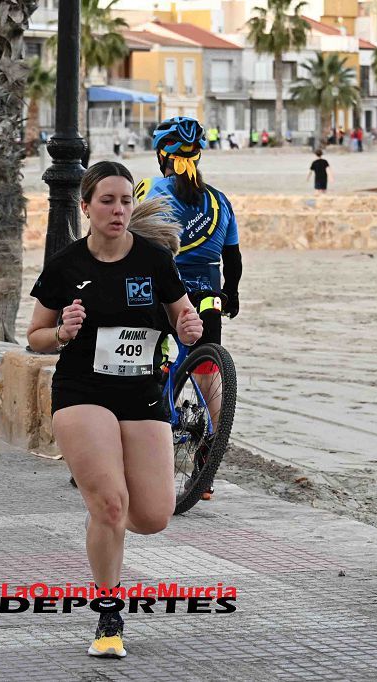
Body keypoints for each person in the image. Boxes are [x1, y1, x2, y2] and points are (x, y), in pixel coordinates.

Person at [28, 161, 203, 659]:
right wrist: (61, 332)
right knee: (109, 504)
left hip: (142, 394)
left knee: (152, 516)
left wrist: (189, 330)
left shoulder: (153, 260)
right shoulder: (66, 266)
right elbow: (34, 337)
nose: (118, 209)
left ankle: (108, 517)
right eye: (107, 200)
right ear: (85, 206)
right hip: (83, 391)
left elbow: (182, 319)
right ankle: (109, 614)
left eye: (126, 200)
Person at [133, 116, 243, 500]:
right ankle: (208, 462)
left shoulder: (151, 189)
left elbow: (130, 238)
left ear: (161, 154)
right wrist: (231, 293)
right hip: (209, 294)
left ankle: (147, 444)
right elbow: (234, 259)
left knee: (147, 358)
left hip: (164, 292)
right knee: (208, 371)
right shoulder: (219, 199)